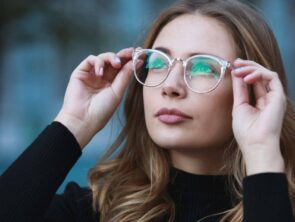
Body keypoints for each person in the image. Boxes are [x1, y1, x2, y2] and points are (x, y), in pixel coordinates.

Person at [0, 0, 294, 221]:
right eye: (158, 63)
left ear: (255, 89)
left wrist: (262, 151)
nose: (171, 86)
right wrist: (73, 123)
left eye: (202, 67)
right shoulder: (96, 210)